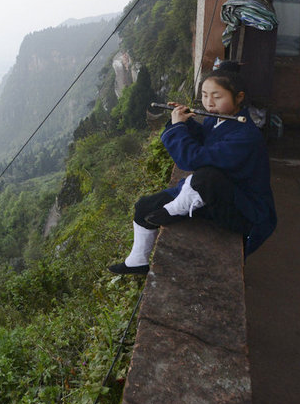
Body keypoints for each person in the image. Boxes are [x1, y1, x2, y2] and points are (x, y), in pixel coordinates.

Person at [109, 62, 276, 275]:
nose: (209, 103)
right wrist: (186, 122)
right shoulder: (218, 120)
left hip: (244, 210)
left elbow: (191, 159)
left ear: (239, 97)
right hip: (214, 195)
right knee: (144, 206)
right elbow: (205, 140)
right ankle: (137, 261)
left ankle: (173, 210)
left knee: (206, 176)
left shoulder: (245, 136)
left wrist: (178, 127)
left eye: (217, 96)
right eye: (205, 95)